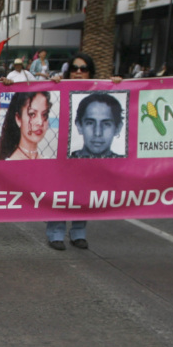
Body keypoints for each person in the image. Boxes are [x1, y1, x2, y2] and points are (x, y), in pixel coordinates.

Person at [42, 51, 116, 250]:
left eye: (83, 69)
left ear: (90, 73)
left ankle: (78, 233)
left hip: (87, 157)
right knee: (60, 192)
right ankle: (55, 234)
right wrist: (53, 84)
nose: (78, 72)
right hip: (61, 152)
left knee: (83, 192)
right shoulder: (58, 89)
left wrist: (118, 84)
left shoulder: (101, 92)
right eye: (74, 68)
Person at [0, 90, 51, 161]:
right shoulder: (8, 162)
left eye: (44, 114)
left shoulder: (48, 161)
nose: (40, 122)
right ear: (18, 119)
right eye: (32, 114)